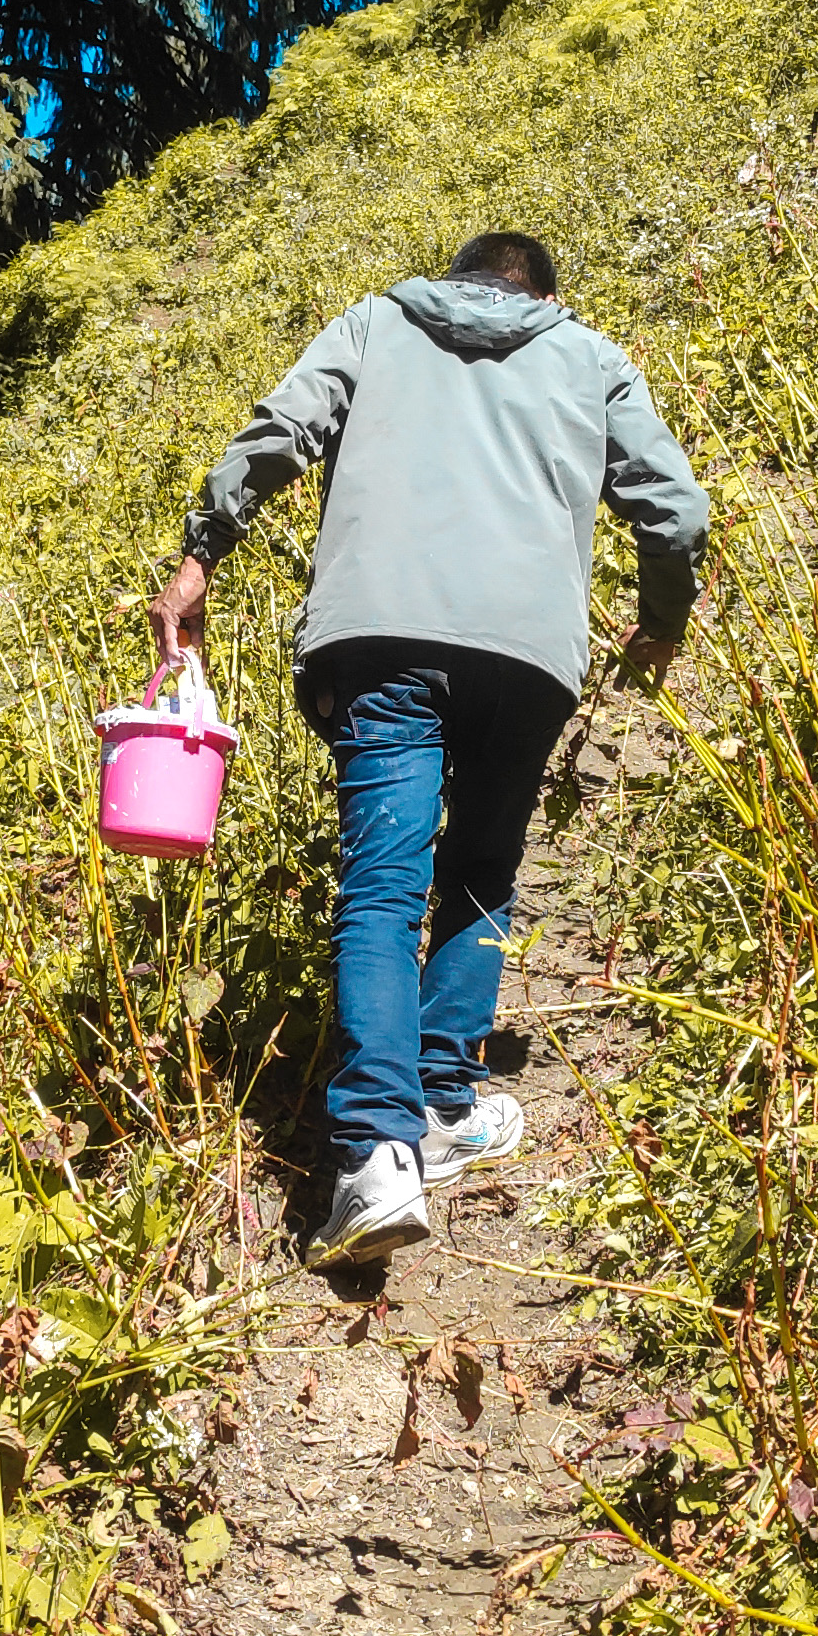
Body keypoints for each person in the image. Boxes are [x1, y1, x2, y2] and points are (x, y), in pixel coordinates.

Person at [149, 231, 710, 1267]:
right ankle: (443, 1101)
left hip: (380, 642)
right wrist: (661, 623)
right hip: (525, 656)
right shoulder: (590, 357)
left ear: (453, 277)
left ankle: (375, 1151)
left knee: (381, 881)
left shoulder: (375, 323)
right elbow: (675, 511)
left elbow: (277, 435)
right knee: (483, 871)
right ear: (542, 295)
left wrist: (200, 559)